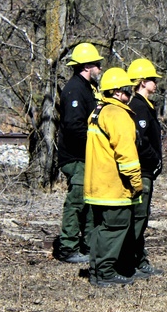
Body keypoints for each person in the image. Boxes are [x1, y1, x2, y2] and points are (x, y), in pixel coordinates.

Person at [84, 67, 142, 287]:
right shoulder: (118, 115)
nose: (129, 96)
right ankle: (106, 271)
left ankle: (97, 270)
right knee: (115, 227)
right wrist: (136, 184)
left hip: (97, 186)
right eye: (127, 91)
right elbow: (126, 156)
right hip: (114, 186)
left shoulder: (98, 112)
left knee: (101, 227)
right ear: (117, 92)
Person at [55, 42, 103, 264]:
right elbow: (74, 128)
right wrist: (95, 146)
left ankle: (86, 245)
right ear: (86, 66)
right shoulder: (75, 89)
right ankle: (68, 247)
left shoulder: (87, 89)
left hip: (87, 158)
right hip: (76, 158)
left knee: (89, 202)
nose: (100, 69)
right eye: (97, 64)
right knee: (77, 202)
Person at [125, 58, 165, 278]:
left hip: (148, 171)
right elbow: (141, 141)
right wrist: (154, 159)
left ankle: (139, 259)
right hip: (142, 171)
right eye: (151, 79)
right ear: (141, 82)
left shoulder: (147, 106)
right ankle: (129, 261)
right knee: (138, 217)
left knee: (142, 216)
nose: (155, 83)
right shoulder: (138, 107)